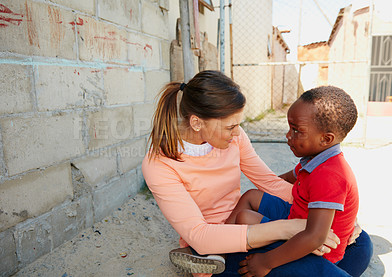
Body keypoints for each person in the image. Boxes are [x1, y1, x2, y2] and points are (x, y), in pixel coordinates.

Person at [141, 70, 372, 276]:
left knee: (361, 246)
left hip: (247, 218)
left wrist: (332, 212)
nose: (237, 133)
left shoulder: (234, 137)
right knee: (318, 266)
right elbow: (200, 235)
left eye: (237, 125)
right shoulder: (159, 165)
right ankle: (207, 262)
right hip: (219, 243)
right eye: (230, 127)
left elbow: (269, 182)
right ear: (197, 122)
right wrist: (291, 229)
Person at [234, 86, 363, 276]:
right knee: (252, 196)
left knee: (244, 218)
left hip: (316, 250)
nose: (288, 136)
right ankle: (219, 246)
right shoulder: (314, 159)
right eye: (289, 128)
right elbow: (286, 178)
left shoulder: (329, 175)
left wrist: (265, 262)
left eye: (296, 131)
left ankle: (228, 256)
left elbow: (315, 237)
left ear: (326, 139)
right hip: (296, 219)